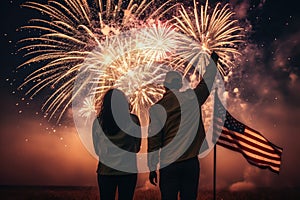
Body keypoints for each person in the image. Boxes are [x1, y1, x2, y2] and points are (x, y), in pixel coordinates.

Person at [147, 52, 219, 200]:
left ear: (165, 86)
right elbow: (207, 81)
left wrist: (152, 167)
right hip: (190, 163)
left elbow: (154, 141)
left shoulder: (156, 109)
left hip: (169, 164)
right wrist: (212, 63)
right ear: (180, 84)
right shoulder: (192, 98)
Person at [92, 88, 141, 200]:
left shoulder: (98, 122)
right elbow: (137, 148)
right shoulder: (133, 120)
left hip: (106, 171)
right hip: (128, 171)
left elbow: (97, 150)